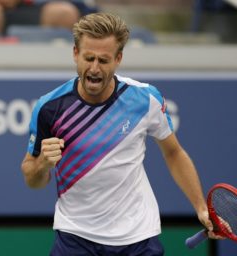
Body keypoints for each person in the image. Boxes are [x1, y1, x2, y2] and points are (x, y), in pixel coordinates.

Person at [21, 12, 222, 255]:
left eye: (103, 60)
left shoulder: (145, 98)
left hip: (138, 237)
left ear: (118, 59)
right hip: (75, 237)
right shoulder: (50, 107)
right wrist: (43, 163)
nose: (94, 68)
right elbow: (32, 178)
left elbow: (174, 153)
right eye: (89, 58)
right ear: (75, 54)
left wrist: (200, 207)